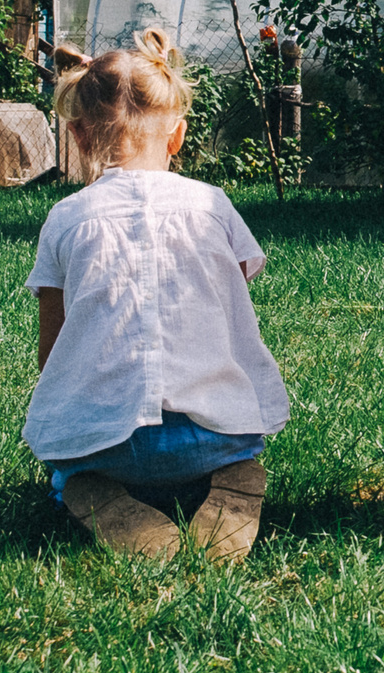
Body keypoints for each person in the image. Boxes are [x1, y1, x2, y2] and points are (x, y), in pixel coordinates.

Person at [24, 29, 287, 563]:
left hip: (106, 443)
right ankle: (232, 474)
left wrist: (68, 415)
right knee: (237, 445)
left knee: (67, 465)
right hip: (214, 432)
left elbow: (51, 348)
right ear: (177, 136)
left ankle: (87, 487)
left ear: (77, 135)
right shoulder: (212, 205)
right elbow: (234, 302)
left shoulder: (65, 218)